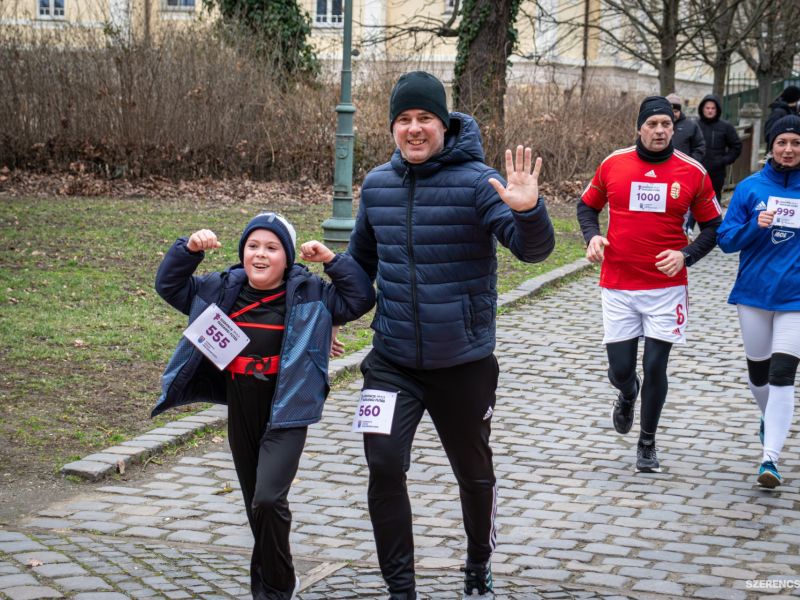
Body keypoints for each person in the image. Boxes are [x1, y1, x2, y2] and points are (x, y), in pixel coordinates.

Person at [347, 70, 555, 600]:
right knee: (384, 465)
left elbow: (532, 251)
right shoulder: (376, 185)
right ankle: (402, 588)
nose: (414, 129)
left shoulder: (477, 182)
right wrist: (321, 312)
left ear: (444, 124)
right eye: (404, 120)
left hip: (462, 362)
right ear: (392, 127)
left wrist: (528, 210)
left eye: (425, 119)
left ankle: (477, 563)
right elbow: (360, 269)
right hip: (392, 360)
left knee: (473, 473)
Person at [153, 213, 375, 600]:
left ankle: (273, 589)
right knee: (256, 503)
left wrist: (332, 261)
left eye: (271, 248)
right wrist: (187, 250)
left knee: (269, 498)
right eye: (253, 246)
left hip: (288, 408)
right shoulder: (222, 288)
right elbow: (170, 286)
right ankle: (281, 575)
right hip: (242, 403)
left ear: (287, 257)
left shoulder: (310, 292)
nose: (260, 254)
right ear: (242, 253)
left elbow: (359, 299)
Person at [577, 96, 722, 474]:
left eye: (666, 125)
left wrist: (686, 256)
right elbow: (586, 206)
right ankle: (627, 392)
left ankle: (647, 443)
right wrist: (592, 237)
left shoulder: (693, 172)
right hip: (619, 283)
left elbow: (713, 228)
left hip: (665, 288)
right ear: (639, 127)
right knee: (620, 369)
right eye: (652, 124)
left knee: (656, 365)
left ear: (674, 128)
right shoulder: (614, 163)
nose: (659, 131)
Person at [717, 115, 800, 489]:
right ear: (772, 145)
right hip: (753, 294)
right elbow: (726, 241)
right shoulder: (750, 189)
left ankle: (770, 459)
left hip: (795, 298)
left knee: (783, 374)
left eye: (796, 143)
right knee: (759, 374)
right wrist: (756, 226)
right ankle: (769, 419)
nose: (789, 149)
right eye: (782, 142)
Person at [666, 92, 706, 236]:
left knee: (684, 202)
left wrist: (689, 164)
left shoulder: (690, 125)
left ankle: (686, 228)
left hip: (683, 173)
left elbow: (700, 147)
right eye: (670, 110)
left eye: (675, 111)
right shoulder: (660, 126)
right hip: (663, 172)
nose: (673, 114)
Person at [697, 94, 742, 203]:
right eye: (707, 108)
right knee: (695, 201)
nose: (710, 111)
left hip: (717, 172)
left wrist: (724, 160)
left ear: (717, 110)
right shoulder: (695, 125)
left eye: (713, 108)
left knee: (714, 201)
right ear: (702, 109)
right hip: (697, 170)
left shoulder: (726, 126)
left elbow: (736, 146)